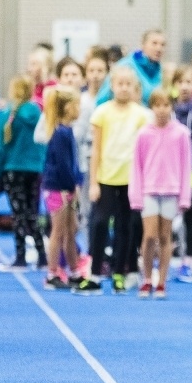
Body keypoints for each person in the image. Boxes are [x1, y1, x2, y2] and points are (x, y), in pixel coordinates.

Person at [73, 66, 150, 296]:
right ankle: (95, 274)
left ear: (134, 88)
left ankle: (119, 273)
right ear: (113, 86)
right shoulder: (102, 112)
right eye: (120, 83)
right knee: (98, 224)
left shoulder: (142, 115)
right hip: (106, 178)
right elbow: (95, 150)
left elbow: (144, 152)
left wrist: (143, 183)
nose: (124, 88)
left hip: (130, 180)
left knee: (124, 227)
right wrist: (94, 182)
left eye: (128, 84)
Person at [128, 88, 192, 299]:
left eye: (166, 105)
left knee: (165, 237)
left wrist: (185, 196)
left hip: (171, 192)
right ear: (151, 107)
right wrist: (135, 195)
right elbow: (136, 166)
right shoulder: (144, 134)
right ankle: (147, 279)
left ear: (171, 107)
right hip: (149, 191)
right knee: (149, 237)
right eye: (158, 105)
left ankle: (162, 282)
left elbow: (186, 166)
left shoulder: (182, 134)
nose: (162, 110)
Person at [0, 75, 47, 272]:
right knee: (32, 213)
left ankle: (21, 256)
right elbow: (43, 143)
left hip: (13, 170)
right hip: (34, 171)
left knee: (19, 214)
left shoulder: (7, 115)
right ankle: (42, 256)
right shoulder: (38, 114)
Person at [40, 86, 84, 290]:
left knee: (70, 230)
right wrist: (71, 185)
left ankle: (74, 271)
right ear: (67, 108)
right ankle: (51, 273)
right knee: (58, 231)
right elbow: (63, 164)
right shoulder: (60, 133)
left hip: (65, 187)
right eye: (77, 105)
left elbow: (72, 163)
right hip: (58, 188)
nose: (79, 109)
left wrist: (78, 180)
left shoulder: (66, 131)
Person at [171, 65, 192, 283]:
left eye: (188, 82)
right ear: (174, 85)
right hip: (169, 172)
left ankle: (188, 262)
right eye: (180, 82)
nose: (184, 86)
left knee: (190, 216)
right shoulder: (167, 109)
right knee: (165, 217)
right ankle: (161, 257)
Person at [73, 49, 110, 246]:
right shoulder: (81, 100)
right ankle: (89, 251)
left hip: (109, 158)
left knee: (105, 209)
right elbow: (77, 135)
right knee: (87, 208)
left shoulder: (111, 100)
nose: (96, 75)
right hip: (86, 158)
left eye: (100, 70)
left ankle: (105, 250)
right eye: (92, 70)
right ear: (86, 74)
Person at [96, 29, 166, 106]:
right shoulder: (126, 65)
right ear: (143, 45)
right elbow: (102, 98)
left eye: (162, 45)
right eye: (154, 43)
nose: (159, 48)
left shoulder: (160, 70)